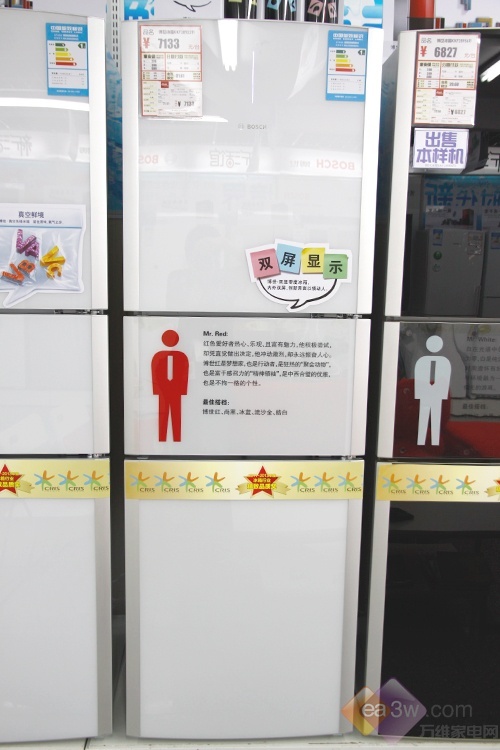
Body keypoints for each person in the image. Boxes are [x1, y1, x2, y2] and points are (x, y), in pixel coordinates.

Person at [151, 330, 189, 442]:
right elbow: (154, 374)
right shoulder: (158, 356)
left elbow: (185, 374)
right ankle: (162, 438)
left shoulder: (182, 356)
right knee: (163, 416)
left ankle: (177, 438)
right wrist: (157, 390)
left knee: (176, 415)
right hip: (163, 390)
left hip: (176, 390)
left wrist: (182, 391)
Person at [414, 334, 451, 446]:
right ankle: (422, 441)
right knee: (423, 418)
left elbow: (445, 380)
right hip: (426, 394)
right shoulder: (421, 361)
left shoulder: (445, 362)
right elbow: (418, 380)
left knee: (435, 419)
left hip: (436, 395)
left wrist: (440, 393)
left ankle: (434, 442)